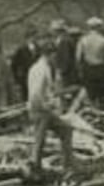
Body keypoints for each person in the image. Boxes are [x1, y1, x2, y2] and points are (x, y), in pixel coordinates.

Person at [27, 41, 74, 173]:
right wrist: (45, 105)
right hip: (40, 109)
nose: (55, 58)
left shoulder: (44, 67)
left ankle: (68, 164)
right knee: (39, 139)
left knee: (66, 130)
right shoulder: (40, 70)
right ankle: (34, 166)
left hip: (43, 109)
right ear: (48, 54)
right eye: (53, 54)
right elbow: (36, 93)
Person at [75, 15, 104, 110]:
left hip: (89, 69)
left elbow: (78, 57)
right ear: (99, 27)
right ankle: (103, 115)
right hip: (101, 69)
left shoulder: (83, 40)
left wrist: (80, 71)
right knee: (102, 97)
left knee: (91, 97)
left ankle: (93, 114)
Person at [10, 29, 40, 102]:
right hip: (25, 77)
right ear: (27, 38)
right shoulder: (21, 49)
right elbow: (13, 65)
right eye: (32, 37)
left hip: (37, 77)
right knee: (26, 97)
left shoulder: (38, 48)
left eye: (35, 37)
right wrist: (17, 78)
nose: (34, 39)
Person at [51, 19, 79, 91]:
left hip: (66, 72)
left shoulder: (64, 40)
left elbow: (66, 57)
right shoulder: (60, 40)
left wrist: (61, 70)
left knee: (65, 90)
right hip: (63, 70)